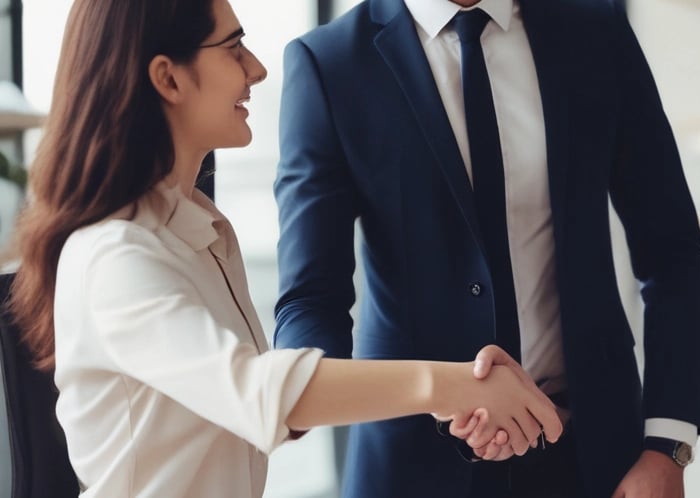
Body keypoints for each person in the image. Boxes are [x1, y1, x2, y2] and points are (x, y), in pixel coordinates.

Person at [5, 1, 561, 497]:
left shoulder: (199, 232)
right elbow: (259, 393)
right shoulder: (114, 257)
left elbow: (269, 402)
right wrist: (453, 384)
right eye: (233, 47)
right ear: (168, 79)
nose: (258, 68)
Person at [274, 0, 700, 496]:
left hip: (596, 458)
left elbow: (671, 249)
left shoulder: (597, 32)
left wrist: (668, 444)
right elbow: (312, 297)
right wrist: (299, 395)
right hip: (412, 464)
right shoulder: (329, 63)